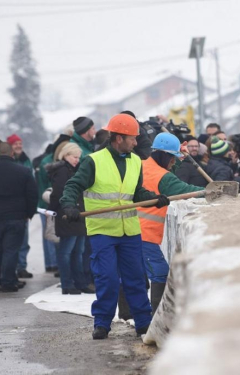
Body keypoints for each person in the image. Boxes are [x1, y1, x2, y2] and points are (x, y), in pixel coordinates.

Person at [60, 113, 170, 339]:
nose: (136, 142)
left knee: (137, 279)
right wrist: (69, 205)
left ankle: (143, 322)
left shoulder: (135, 161)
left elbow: (136, 192)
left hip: (129, 231)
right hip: (103, 231)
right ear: (118, 138)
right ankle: (102, 322)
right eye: (132, 138)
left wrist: (154, 197)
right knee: (107, 279)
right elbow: (73, 185)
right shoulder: (94, 161)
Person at [137, 133, 204, 314]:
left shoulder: (142, 166)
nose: (174, 162)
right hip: (147, 233)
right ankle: (157, 316)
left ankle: (128, 313)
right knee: (159, 273)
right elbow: (184, 190)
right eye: (172, 159)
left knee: (133, 275)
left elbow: (167, 174)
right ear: (164, 155)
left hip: (134, 230)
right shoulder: (163, 177)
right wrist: (211, 191)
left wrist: (180, 157)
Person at [46, 143, 93, 295]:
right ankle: (68, 283)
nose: (77, 160)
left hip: (76, 216)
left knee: (77, 252)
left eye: (78, 158)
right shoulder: (62, 171)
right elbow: (58, 194)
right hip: (67, 216)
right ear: (65, 155)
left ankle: (78, 282)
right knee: (67, 252)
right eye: (74, 157)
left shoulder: (71, 170)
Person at [0, 142, 37, 292]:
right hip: (16, 217)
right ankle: (8, 281)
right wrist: (29, 213)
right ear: (12, 154)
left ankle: (9, 279)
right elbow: (32, 195)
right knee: (11, 251)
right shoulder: (23, 171)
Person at [36, 133, 71, 273]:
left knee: (53, 237)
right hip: (49, 204)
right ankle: (52, 264)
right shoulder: (49, 164)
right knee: (52, 236)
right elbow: (42, 186)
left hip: (50, 204)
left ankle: (53, 264)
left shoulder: (49, 162)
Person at [7, 134, 34, 279]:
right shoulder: (8, 161)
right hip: (13, 207)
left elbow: (32, 182)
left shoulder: (25, 160)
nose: (18, 145)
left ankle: (21, 267)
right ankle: (11, 271)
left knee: (24, 240)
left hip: (22, 206)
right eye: (15, 143)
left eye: (20, 143)